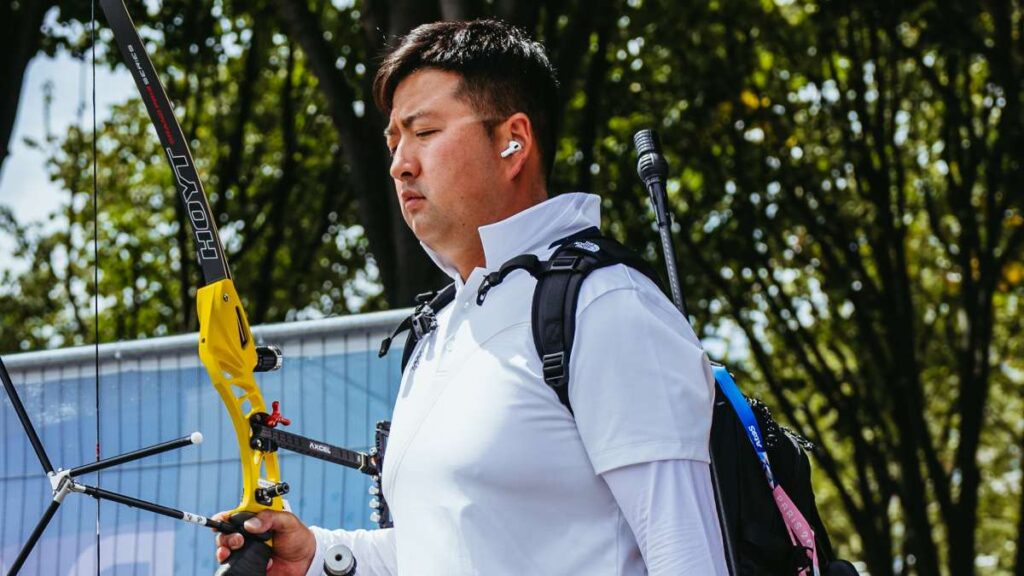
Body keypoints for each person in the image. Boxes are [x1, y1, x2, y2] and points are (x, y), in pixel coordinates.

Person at [215, 19, 728, 576]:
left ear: (514, 142)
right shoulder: (436, 332)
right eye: (394, 142)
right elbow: (442, 547)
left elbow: (689, 556)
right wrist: (320, 557)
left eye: (426, 133)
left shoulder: (606, 305)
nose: (400, 164)